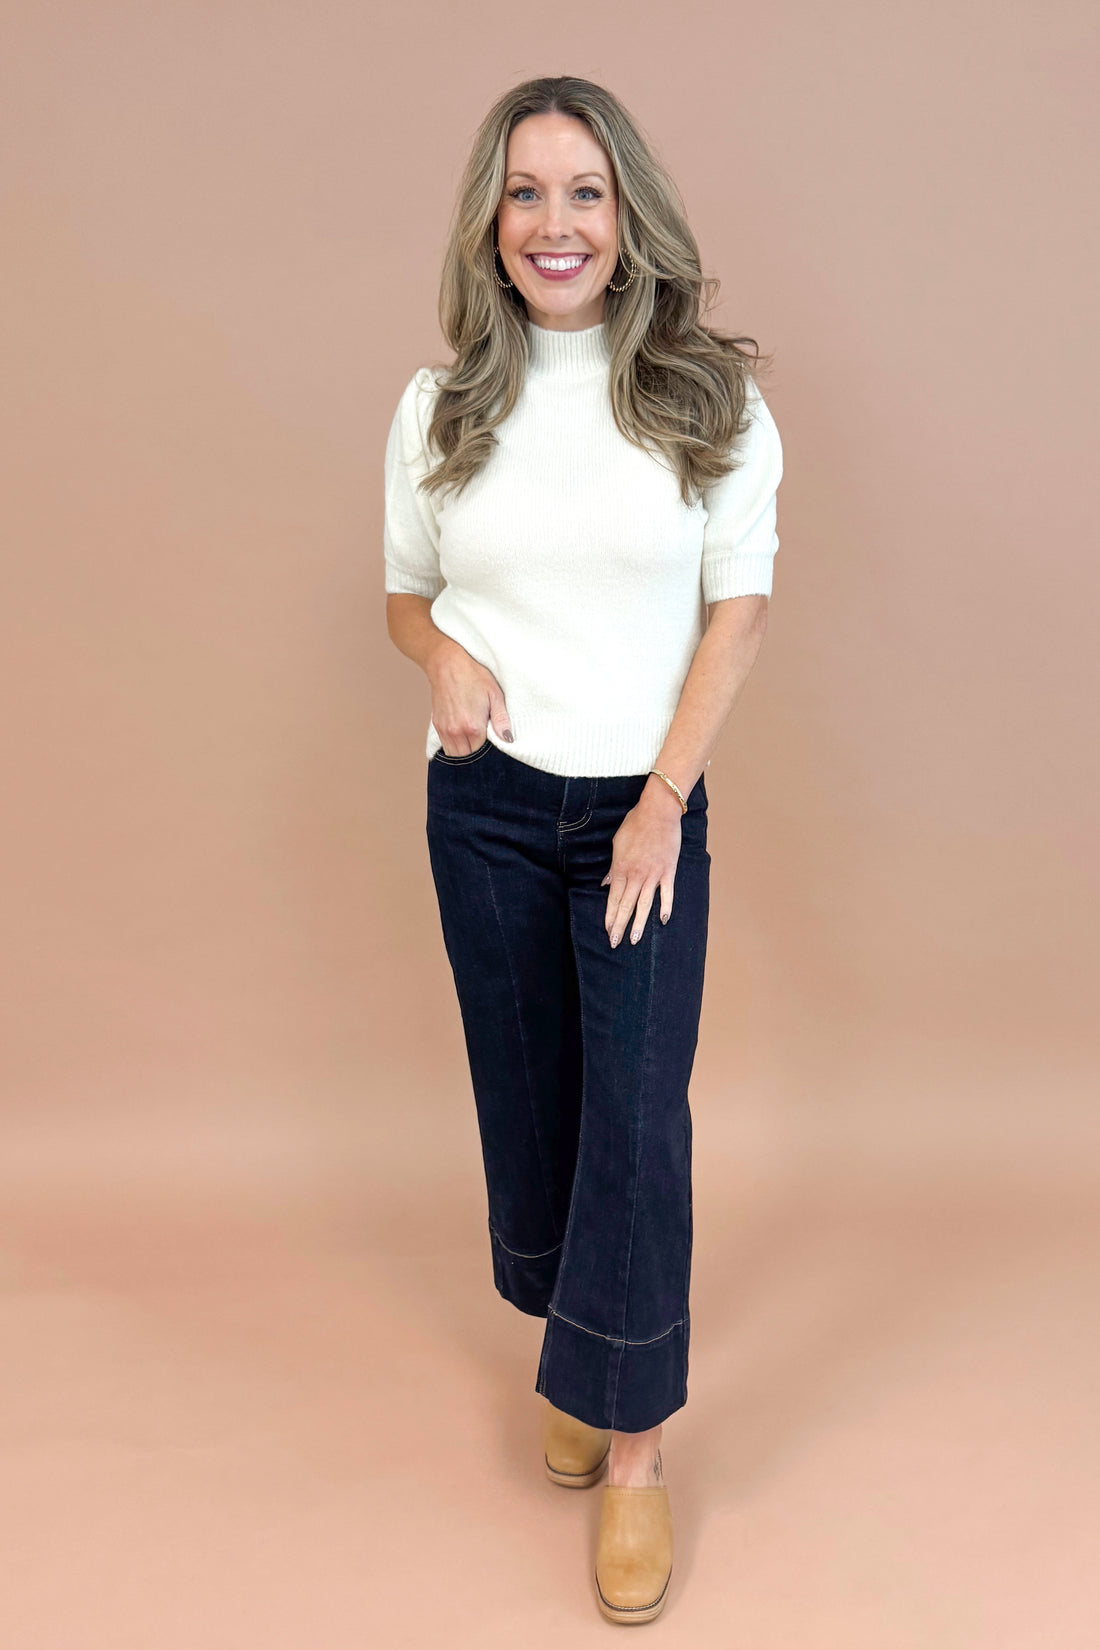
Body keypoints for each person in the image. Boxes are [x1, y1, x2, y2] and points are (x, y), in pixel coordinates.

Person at [382, 75, 783, 1626]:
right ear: (494, 222)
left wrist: (666, 797)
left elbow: (737, 607)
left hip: (640, 808)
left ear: (632, 221)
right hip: (481, 808)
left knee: (633, 1121)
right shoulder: (439, 407)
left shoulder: (708, 400)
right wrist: (436, 658)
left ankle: (634, 1450)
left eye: (587, 194)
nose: (558, 224)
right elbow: (405, 591)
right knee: (533, 1104)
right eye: (529, 193)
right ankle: (575, 1333)